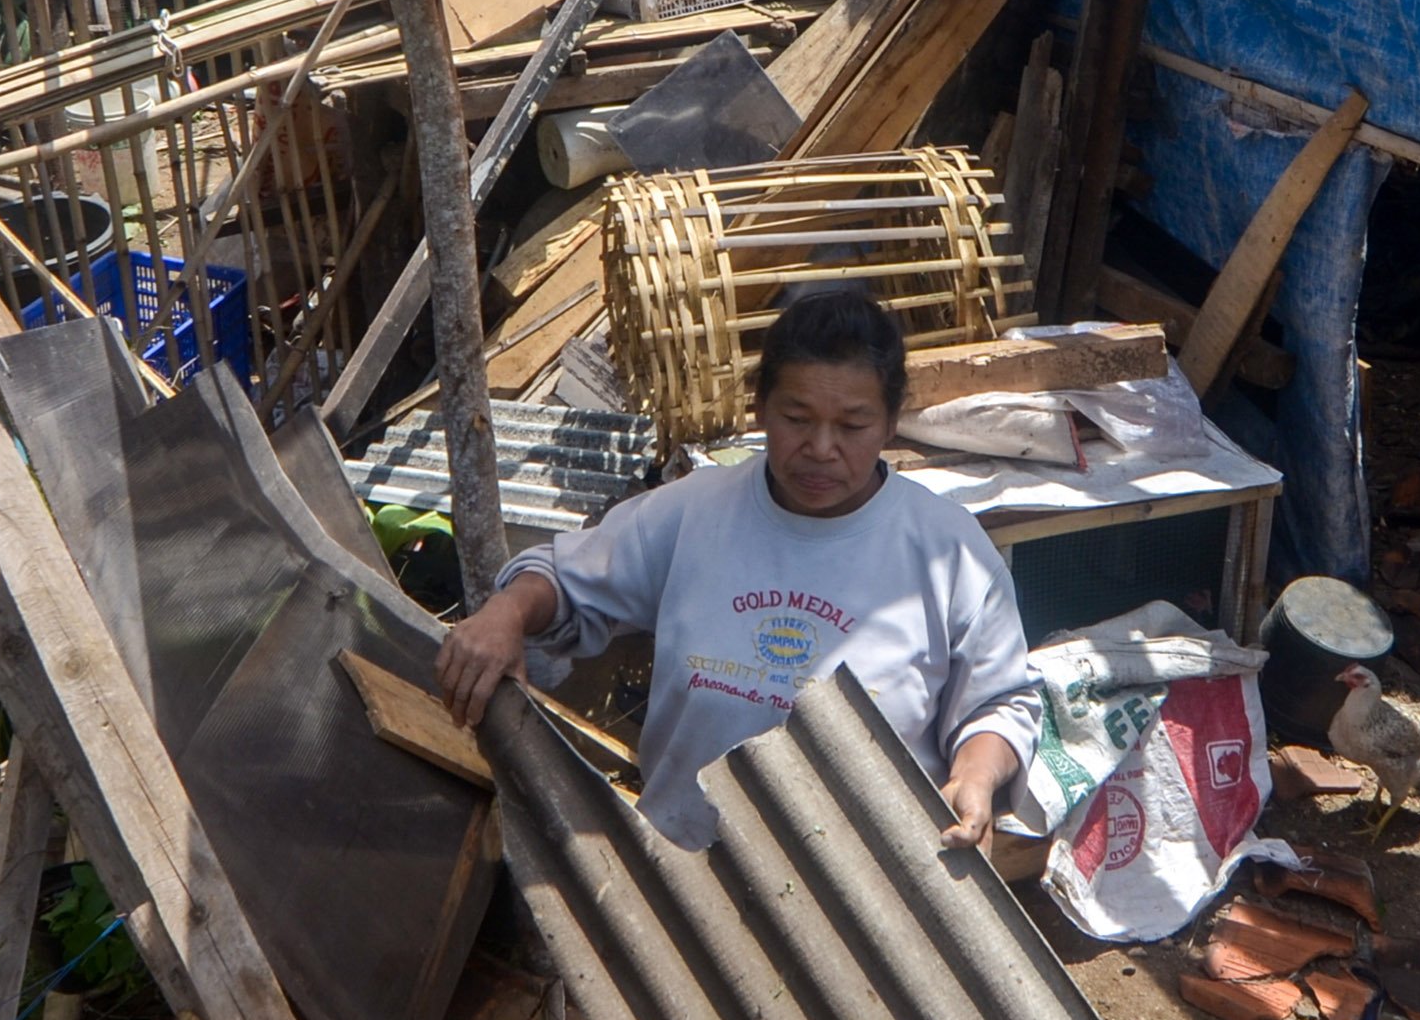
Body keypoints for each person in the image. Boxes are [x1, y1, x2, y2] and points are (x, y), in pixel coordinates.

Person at [432, 282, 1036, 852]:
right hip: (686, 862)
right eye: (797, 419)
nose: (822, 448)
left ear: (891, 418)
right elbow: (565, 579)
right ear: (760, 408)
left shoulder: (949, 550)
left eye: (852, 425)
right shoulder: (694, 510)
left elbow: (1000, 704)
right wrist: (504, 613)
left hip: (873, 879)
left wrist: (976, 776)